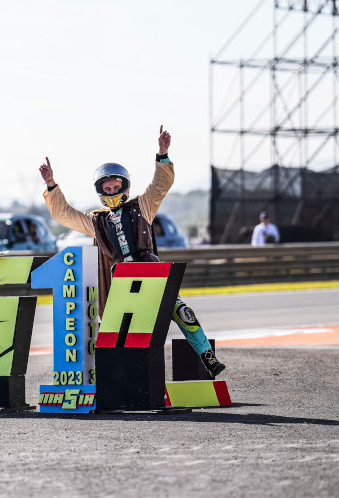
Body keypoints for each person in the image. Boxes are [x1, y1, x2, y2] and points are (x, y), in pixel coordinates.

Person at [38, 126, 225, 377]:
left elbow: (160, 186)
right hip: (120, 282)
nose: (112, 191)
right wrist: (51, 184)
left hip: (151, 272)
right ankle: (120, 378)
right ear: (100, 191)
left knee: (181, 311)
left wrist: (162, 153)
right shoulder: (96, 221)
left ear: (124, 186)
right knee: (121, 330)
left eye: (116, 187)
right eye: (107, 189)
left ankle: (207, 357)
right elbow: (64, 214)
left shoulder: (142, 206)